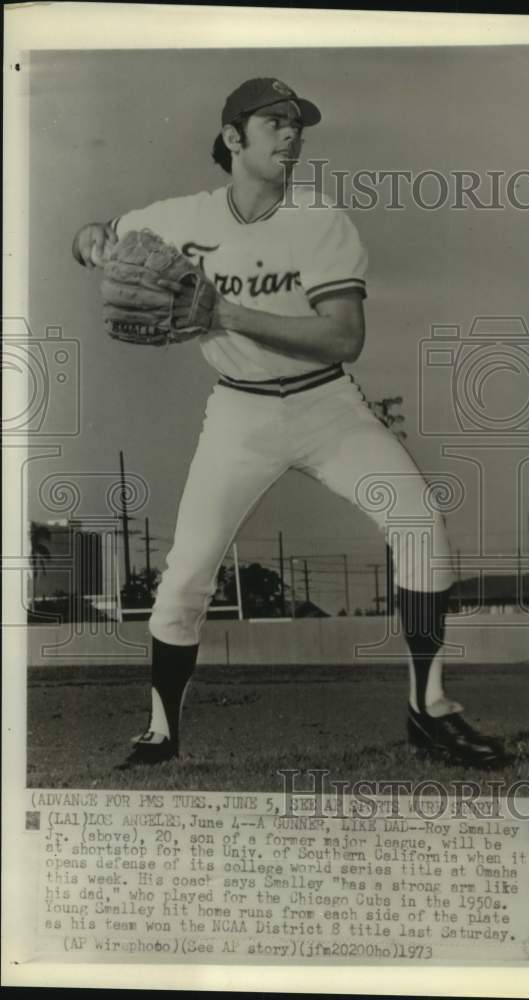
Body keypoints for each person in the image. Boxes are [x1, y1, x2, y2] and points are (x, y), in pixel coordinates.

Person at [73, 77, 506, 769]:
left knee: (420, 527)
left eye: (295, 124)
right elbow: (92, 237)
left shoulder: (319, 220)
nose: (291, 134)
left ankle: (429, 708)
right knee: (185, 574)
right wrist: (92, 240)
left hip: (327, 406)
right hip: (239, 413)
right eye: (272, 122)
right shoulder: (178, 217)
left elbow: (342, 340)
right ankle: (161, 730)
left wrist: (226, 314)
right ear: (231, 137)